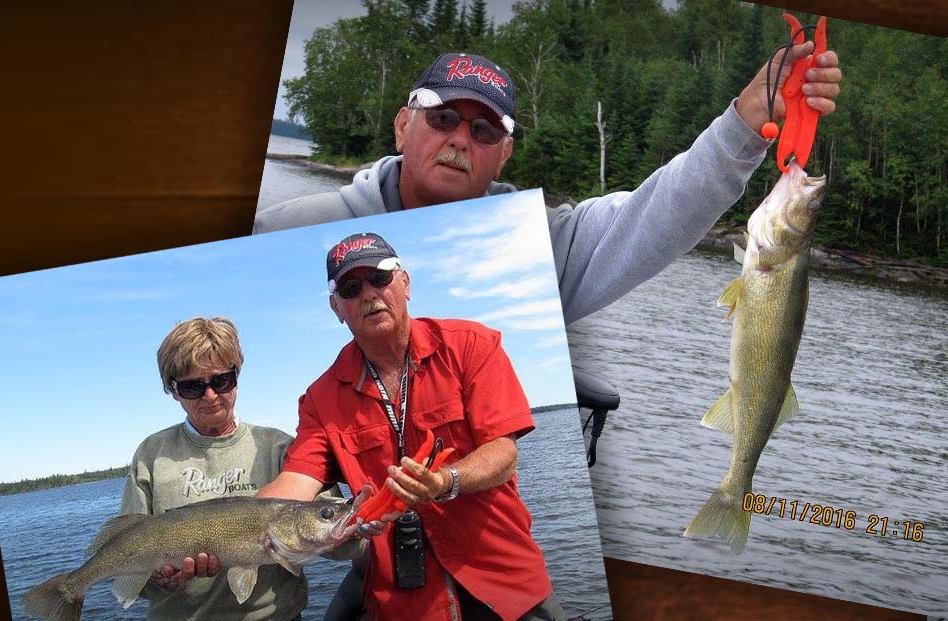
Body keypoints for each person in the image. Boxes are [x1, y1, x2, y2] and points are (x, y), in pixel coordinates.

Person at [254, 48, 843, 324]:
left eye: (484, 129)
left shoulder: (542, 245)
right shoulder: (285, 229)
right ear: (403, 125)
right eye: (442, 118)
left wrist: (744, 126)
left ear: (504, 153)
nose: (461, 138)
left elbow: (659, 212)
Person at [255, 232, 559, 620]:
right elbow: (296, 482)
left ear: (405, 283)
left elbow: (503, 450)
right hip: (406, 601)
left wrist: (445, 481)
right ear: (337, 307)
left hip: (503, 579)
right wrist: (225, 530)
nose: (369, 295)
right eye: (351, 287)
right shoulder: (321, 397)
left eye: (380, 278)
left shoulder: (472, 345)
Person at [122, 317, 359, 620]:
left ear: (237, 375)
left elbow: (343, 546)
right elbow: (128, 557)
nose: (210, 395)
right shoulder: (151, 455)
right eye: (193, 387)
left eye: (221, 381)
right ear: (173, 390)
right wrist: (160, 580)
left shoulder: (280, 448)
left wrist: (354, 529)